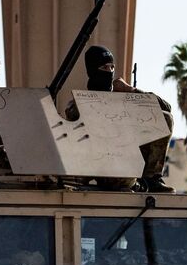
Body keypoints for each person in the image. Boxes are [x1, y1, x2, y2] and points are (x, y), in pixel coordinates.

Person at [65, 45, 175, 193]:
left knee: (164, 117)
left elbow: (166, 108)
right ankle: (132, 182)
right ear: (92, 70)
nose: (110, 72)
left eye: (112, 67)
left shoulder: (124, 97)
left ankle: (151, 178)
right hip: (105, 165)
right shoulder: (80, 104)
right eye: (105, 67)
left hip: (131, 160)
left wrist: (131, 91)